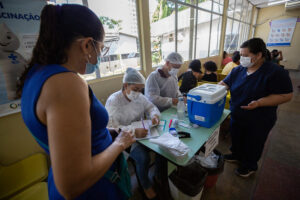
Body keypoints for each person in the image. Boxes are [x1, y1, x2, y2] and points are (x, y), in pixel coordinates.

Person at [19, 4, 135, 200]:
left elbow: (62, 139)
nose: (98, 57)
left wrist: (105, 133)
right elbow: (73, 183)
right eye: (100, 48)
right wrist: (120, 144)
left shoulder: (36, 76)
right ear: (87, 45)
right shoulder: (67, 84)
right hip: (93, 190)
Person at [219, 38, 293, 177]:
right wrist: (213, 90)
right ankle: (236, 155)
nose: (242, 59)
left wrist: (259, 102)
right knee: (237, 137)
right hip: (237, 114)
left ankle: (249, 166)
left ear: (259, 55)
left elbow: (286, 95)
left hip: (259, 118)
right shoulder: (238, 70)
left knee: (253, 143)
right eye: (241, 55)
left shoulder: (275, 72)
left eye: (246, 56)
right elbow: (224, 83)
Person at [105, 67, 160, 200]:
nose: (138, 93)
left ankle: (158, 175)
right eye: (135, 89)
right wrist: (134, 132)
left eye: (140, 90)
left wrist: (154, 116)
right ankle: (145, 185)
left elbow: (151, 107)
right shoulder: (114, 101)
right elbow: (113, 128)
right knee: (143, 158)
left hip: (144, 132)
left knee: (160, 149)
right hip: (125, 139)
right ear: (125, 85)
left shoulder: (140, 97)